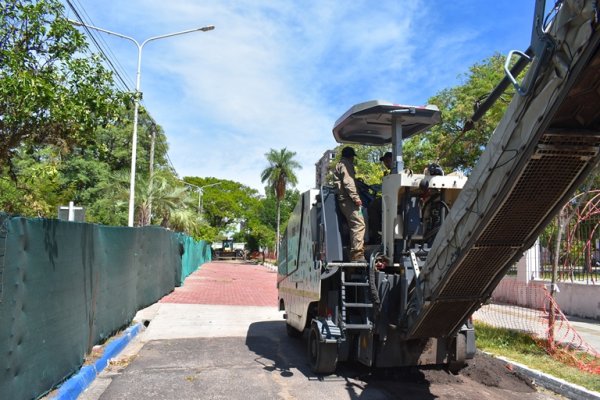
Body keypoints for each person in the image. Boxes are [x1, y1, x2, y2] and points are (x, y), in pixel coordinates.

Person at [333, 146, 366, 262]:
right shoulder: (346, 164)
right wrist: (356, 198)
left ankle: (355, 252)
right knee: (359, 224)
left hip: (344, 199)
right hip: (348, 200)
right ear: (351, 156)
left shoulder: (340, 164)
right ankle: (357, 254)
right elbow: (348, 182)